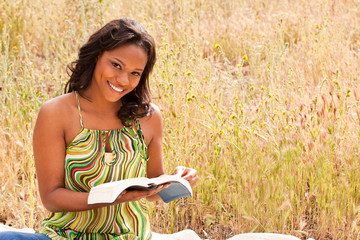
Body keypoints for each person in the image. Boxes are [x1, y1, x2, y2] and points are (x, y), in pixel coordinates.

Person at [0, 18, 199, 240]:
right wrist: (109, 198)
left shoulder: (148, 117)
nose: (123, 79)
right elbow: (51, 197)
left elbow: (152, 191)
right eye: (116, 65)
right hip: (66, 236)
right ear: (97, 56)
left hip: (129, 237)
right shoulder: (56, 113)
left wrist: (175, 180)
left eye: (135, 73)